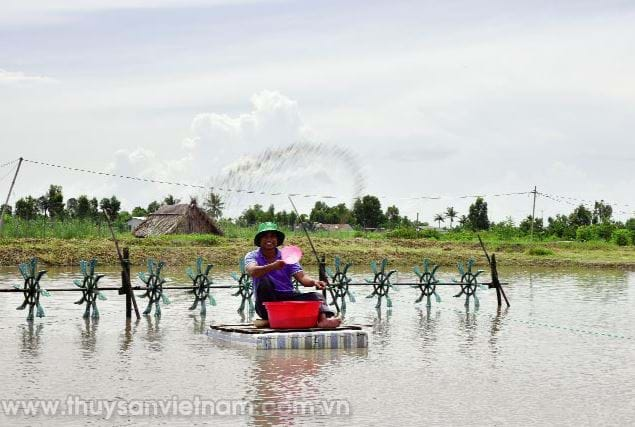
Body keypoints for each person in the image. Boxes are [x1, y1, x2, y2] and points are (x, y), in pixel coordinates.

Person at [245, 222, 341, 329]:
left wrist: (314, 282)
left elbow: (302, 278)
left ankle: (323, 320)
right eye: (265, 236)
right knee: (263, 280)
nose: (269, 240)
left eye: (272, 236)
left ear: (277, 240)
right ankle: (271, 318)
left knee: (316, 296)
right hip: (266, 304)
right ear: (259, 240)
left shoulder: (287, 256)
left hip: (287, 298)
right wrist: (273, 266)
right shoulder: (252, 255)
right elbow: (252, 271)